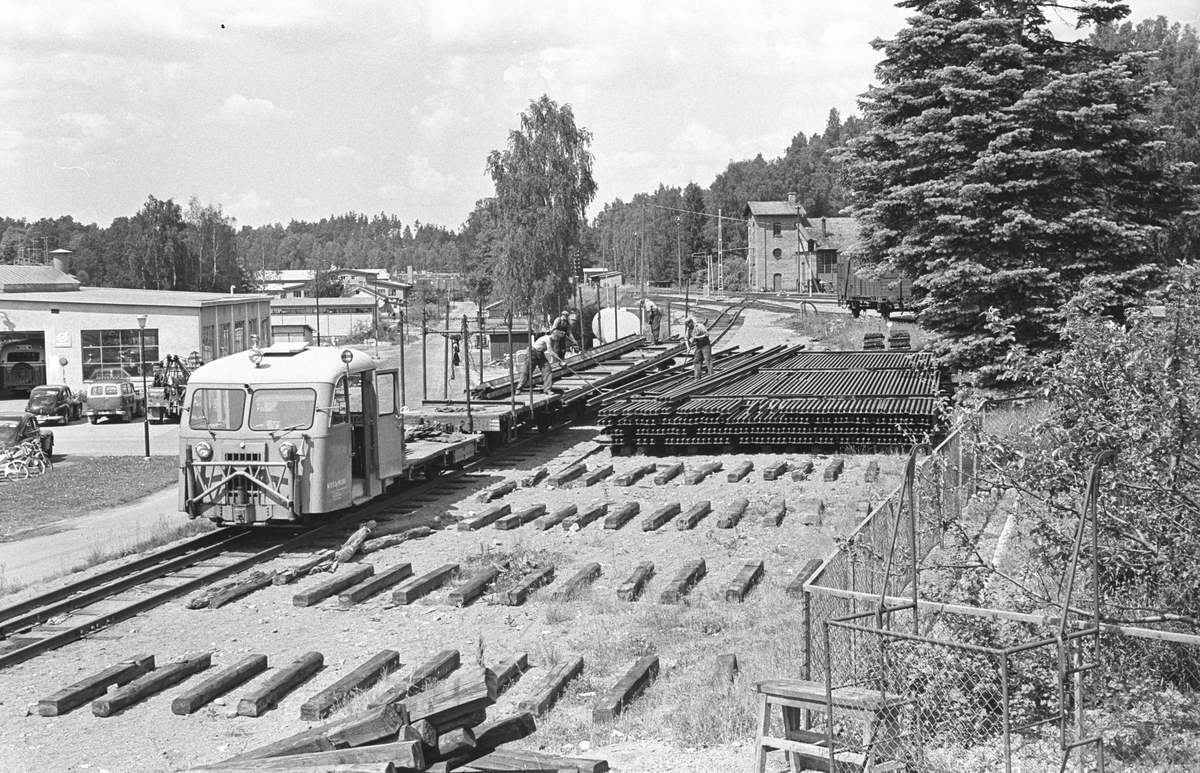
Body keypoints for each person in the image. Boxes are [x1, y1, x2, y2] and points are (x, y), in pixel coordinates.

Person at [519, 330, 565, 394]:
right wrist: (561, 361)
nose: (558, 340)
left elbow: (554, 352)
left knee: (547, 370)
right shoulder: (547, 339)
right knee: (527, 371)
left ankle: (548, 390)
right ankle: (519, 389)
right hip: (532, 353)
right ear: (555, 336)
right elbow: (551, 353)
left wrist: (559, 361)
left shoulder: (552, 341)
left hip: (540, 354)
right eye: (558, 338)